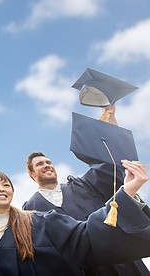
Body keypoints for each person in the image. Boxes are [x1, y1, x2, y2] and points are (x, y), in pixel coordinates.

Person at [22, 106, 149, 275]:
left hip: (121, 261)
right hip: (82, 269)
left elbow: (109, 167)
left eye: (48, 162)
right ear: (31, 173)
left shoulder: (83, 184)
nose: (46, 165)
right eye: (40, 164)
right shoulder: (31, 208)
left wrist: (108, 127)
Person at [0, 168, 150, 276]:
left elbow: (85, 237)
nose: (1, 189)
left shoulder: (38, 220)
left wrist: (126, 193)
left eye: (6, 185)